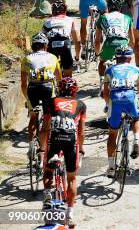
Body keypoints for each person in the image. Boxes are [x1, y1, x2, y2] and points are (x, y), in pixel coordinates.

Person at [43, 77, 85, 228]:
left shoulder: (50, 101)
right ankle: (70, 213)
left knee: (47, 170)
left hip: (54, 138)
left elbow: (45, 126)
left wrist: (42, 147)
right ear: (75, 91)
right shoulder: (80, 105)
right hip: (70, 140)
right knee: (72, 178)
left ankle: (47, 195)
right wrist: (81, 148)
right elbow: (81, 131)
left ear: (59, 89)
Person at [103, 46, 139, 176]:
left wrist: (107, 104)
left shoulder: (109, 70)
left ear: (116, 58)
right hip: (130, 98)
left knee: (112, 134)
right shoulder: (136, 70)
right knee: (137, 118)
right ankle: (136, 140)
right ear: (130, 57)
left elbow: (105, 93)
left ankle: (111, 167)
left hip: (115, 100)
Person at [21, 33, 62, 155]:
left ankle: (30, 147)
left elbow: (23, 84)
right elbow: (59, 79)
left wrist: (27, 98)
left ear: (33, 46)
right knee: (47, 118)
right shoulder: (53, 57)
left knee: (33, 116)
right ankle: (42, 149)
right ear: (46, 45)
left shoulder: (26, 59)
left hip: (32, 89)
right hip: (48, 89)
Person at [94, 0, 136, 93]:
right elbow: (132, 41)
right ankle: (126, 83)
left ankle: (102, 81)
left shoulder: (103, 17)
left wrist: (97, 54)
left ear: (108, 8)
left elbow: (97, 41)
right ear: (120, 8)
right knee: (125, 64)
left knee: (102, 62)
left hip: (109, 44)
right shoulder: (127, 18)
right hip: (123, 44)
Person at [41, 2, 80, 76]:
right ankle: (67, 82)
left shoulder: (47, 21)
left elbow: (42, 40)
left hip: (51, 43)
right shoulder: (70, 20)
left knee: (50, 73)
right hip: (65, 43)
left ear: (52, 12)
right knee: (68, 76)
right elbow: (77, 41)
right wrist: (77, 57)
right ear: (65, 11)